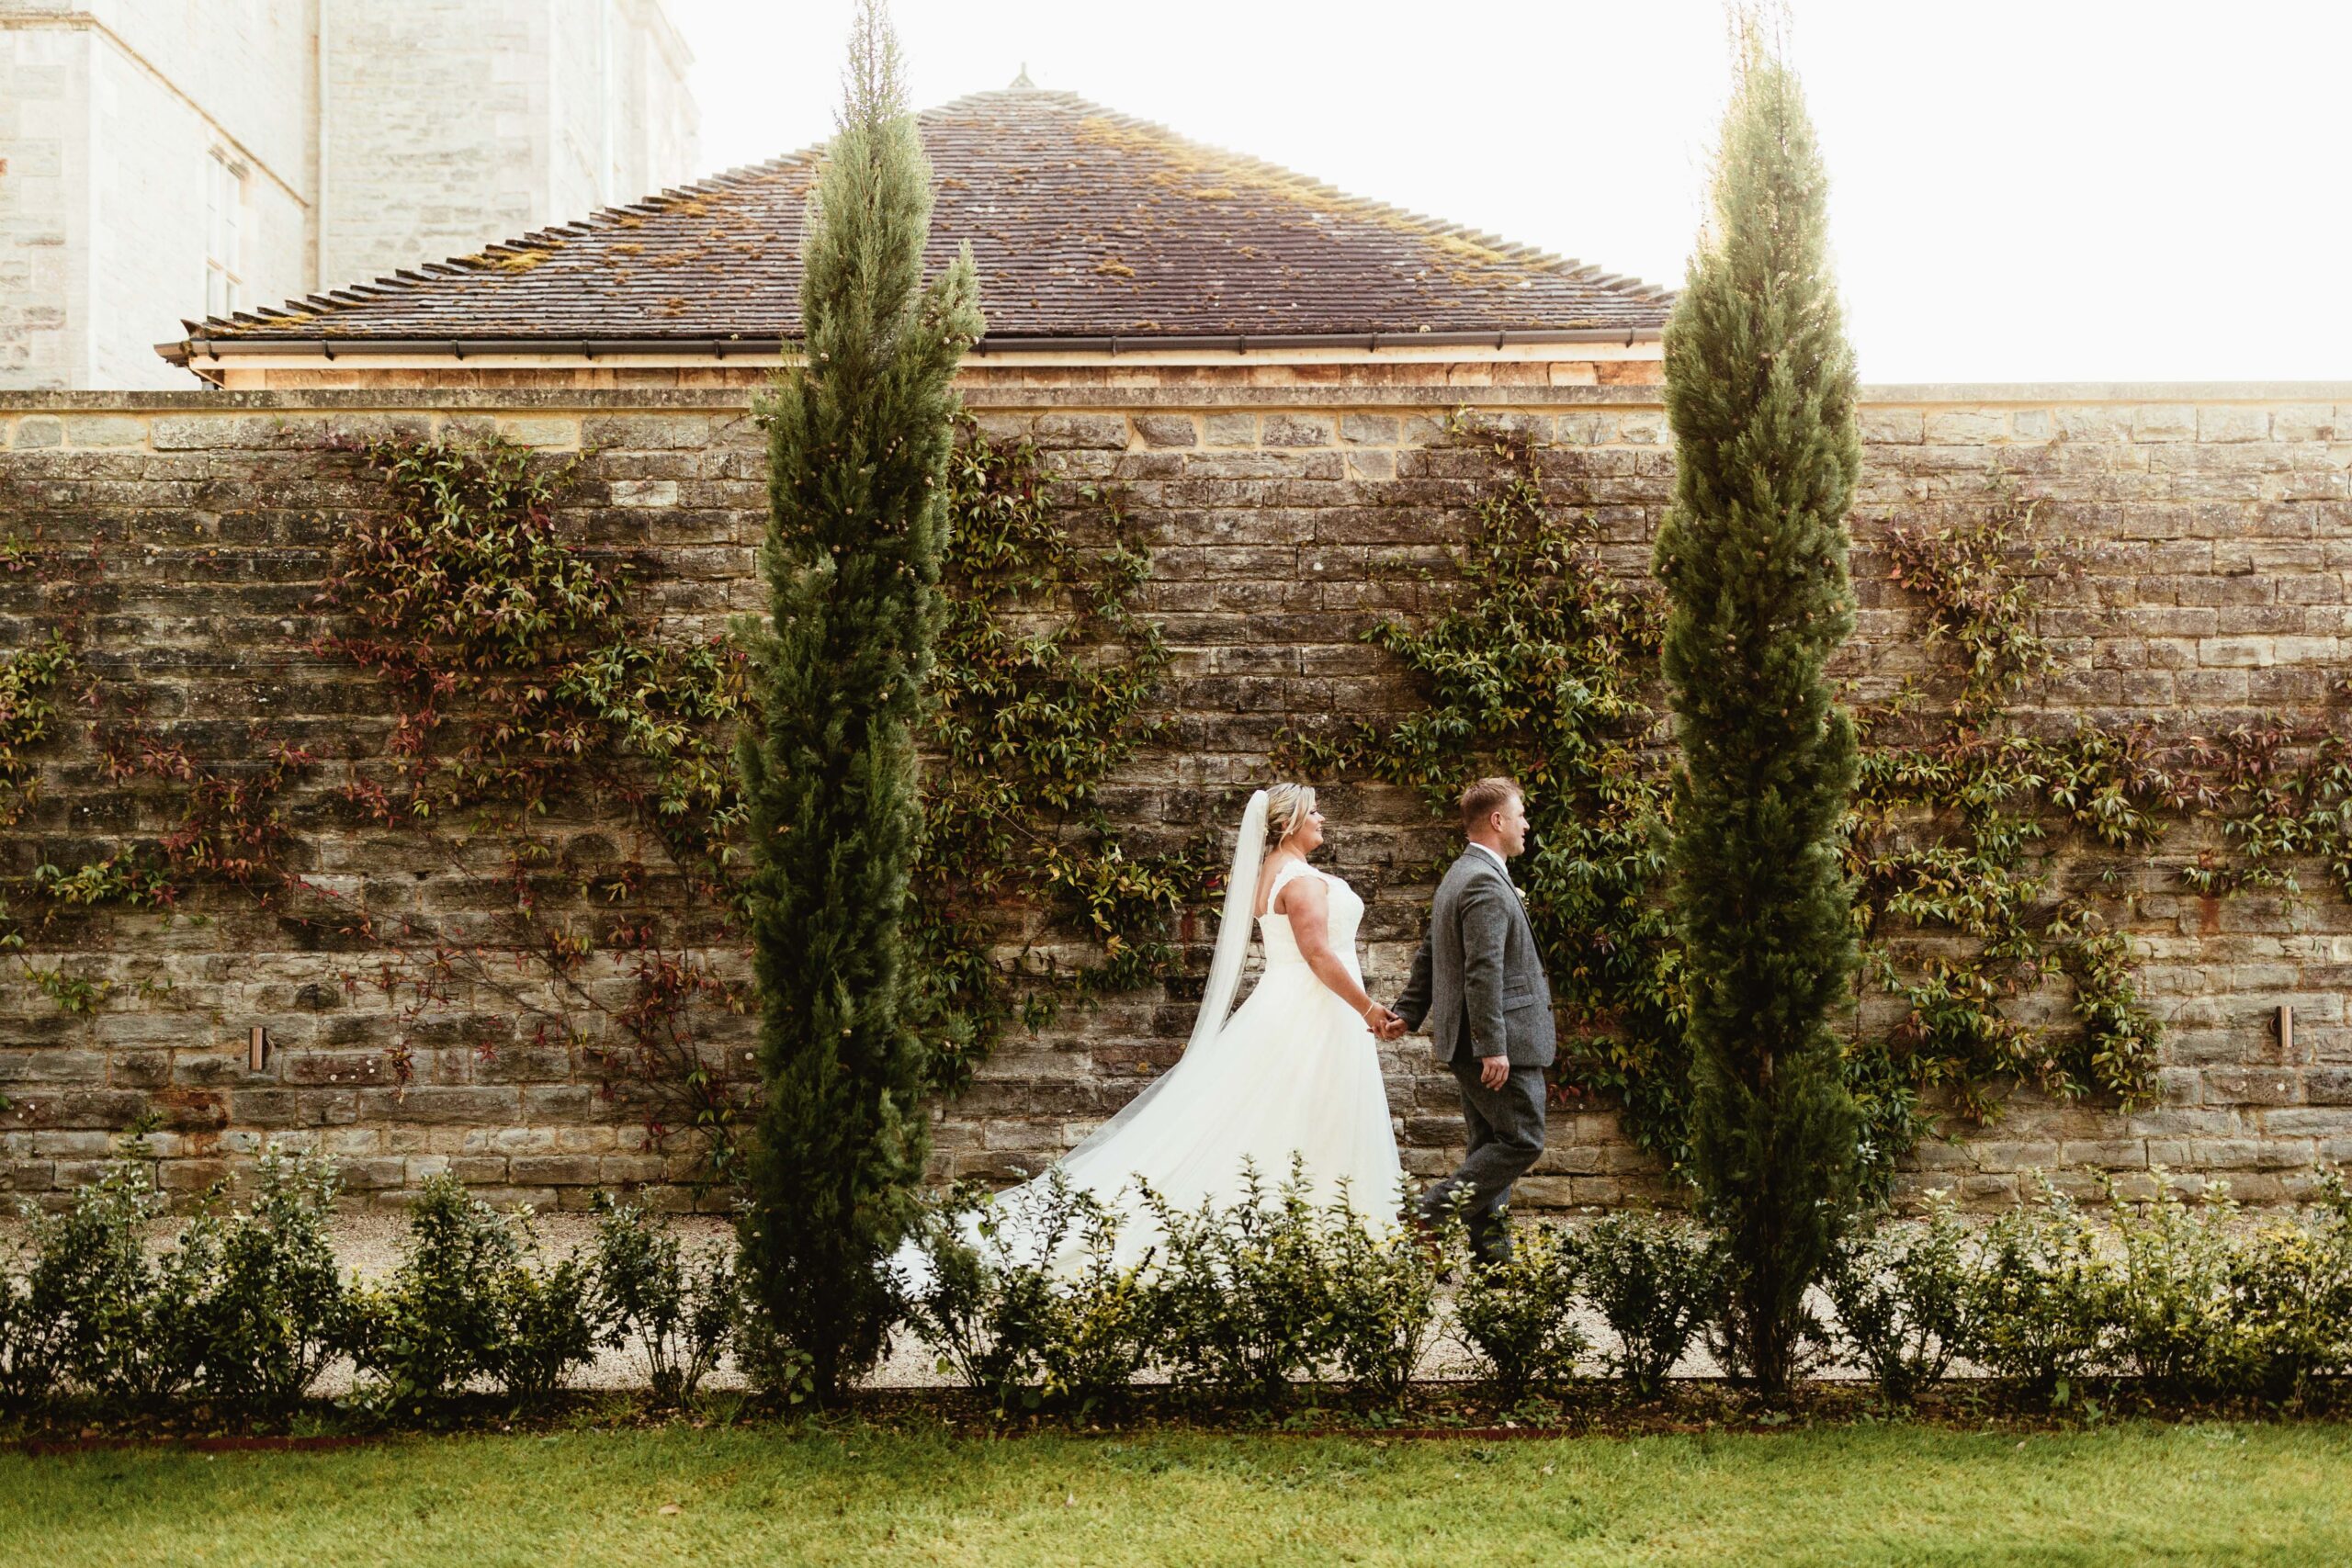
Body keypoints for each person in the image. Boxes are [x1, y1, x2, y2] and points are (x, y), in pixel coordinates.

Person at [904, 784, 1405, 1275]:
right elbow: (1318, 954)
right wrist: (1367, 1009)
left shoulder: (1271, 874)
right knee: (1304, 1112)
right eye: (1315, 812)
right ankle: (1312, 1230)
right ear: (1290, 822)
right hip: (1311, 1011)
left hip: (1293, 1006)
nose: (1323, 819)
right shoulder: (1298, 881)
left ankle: (1312, 1229)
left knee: (1293, 1113)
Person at [1387, 776, 1555, 1264]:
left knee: (1489, 1143)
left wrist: (1409, 1011)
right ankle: (1424, 1218)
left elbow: (1433, 952)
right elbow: (1482, 969)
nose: (1527, 824)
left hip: (1475, 1038)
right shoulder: (1481, 879)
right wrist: (1491, 1045)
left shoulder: (1462, 873)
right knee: (1523, 1140)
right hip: (1498, 1041)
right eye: (1520, 814)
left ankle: (1492, 1259)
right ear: (1498, 820)